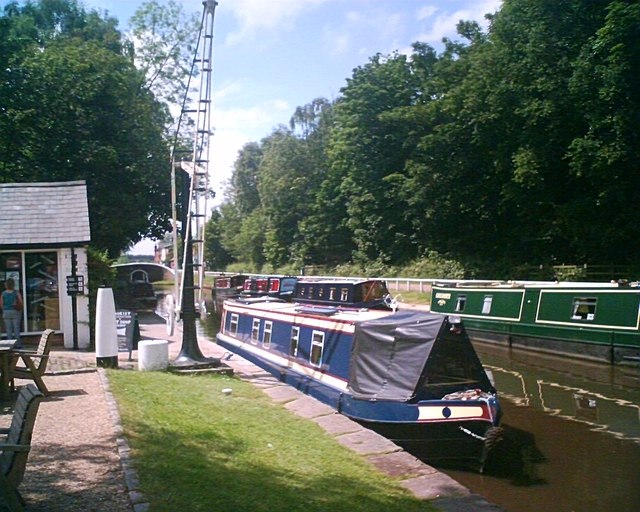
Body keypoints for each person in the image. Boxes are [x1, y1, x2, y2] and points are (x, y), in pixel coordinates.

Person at [1, 278, 23, 348]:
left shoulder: (3, 293)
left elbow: (1, 304)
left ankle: (9, 346)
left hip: (6, 312)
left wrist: (4, 309)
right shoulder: (16, 293)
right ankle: (18, 345)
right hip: (15, 311)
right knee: (16, 329)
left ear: (6, 285)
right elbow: (20, 302)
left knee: (8, 330)